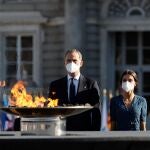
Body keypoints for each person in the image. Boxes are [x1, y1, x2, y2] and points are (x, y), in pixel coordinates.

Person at [48, 49, 101, 131]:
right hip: (61, 132)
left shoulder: (91, 85)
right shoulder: (55, 85)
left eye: (74, 60)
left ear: (81, 63)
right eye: (68, 60)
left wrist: (94, 134)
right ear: (65, 63)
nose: (71, 63)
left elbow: (96, 112)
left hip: (84, 133)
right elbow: (51, 111)